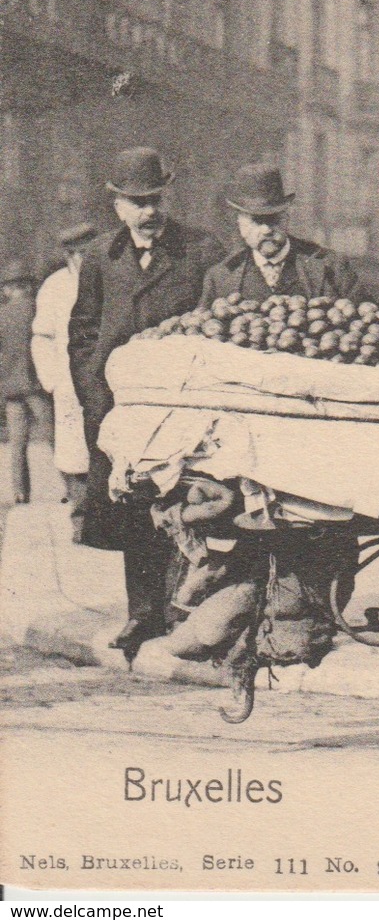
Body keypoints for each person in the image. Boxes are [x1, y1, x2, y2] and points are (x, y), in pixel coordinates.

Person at [69, 146, 224, 657]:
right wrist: (95, 396)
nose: (148, 212)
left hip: (180, 404)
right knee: (133, 511)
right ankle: (142, 614)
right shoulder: (99, 257)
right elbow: (84, 331)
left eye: (154, 199)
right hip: (120, 409)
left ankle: (183, 612)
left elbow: (217, 319)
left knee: (186, 506)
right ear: (117, 206)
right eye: (136, 202)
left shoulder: (200, 249)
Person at [199, 164, 363, 306]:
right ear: (240, 224)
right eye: (256, 221)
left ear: (286, 218)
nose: (266, 230)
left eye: (273, 219)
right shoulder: (220, 277)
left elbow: (368, 322)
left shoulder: (332, 267)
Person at [30, 222, 98, 538]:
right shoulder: (55, 287)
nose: (89, 259)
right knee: (73, 454)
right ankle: (80, 522)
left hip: (102, 381)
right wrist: (52, 380)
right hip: (69, 384)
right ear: (70, 255)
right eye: (82, 254)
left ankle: (106, 523)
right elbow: (41, 337)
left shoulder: (108, 280)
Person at [1, 263, 49, 505]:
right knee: (54, 435)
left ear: (8, 288)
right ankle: (73, 489)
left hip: (10, 388)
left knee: (17, 443)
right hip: (36, 384)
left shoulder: (2, 314)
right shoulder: (36, 308)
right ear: (28, 285)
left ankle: (21, 492)